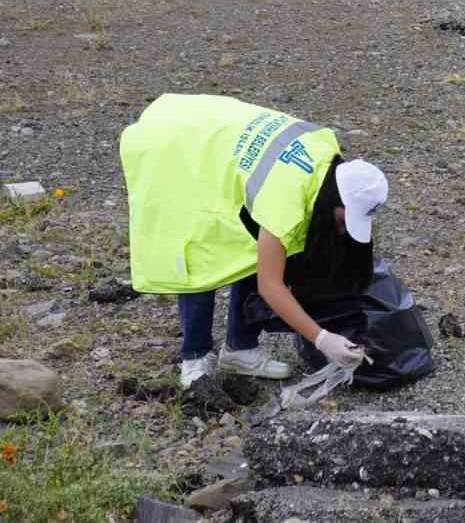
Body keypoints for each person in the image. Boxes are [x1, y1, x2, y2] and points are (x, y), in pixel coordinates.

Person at [122, 94, 388, 387]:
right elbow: (270, 285)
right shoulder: (285, 202)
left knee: (248, 246)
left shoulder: (328, 153)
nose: (341, 230)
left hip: (217, 138)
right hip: (178, 146)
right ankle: (195, 357)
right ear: (334, 200)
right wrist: (322, 338)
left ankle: (240, 349)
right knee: (200, 251)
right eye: (343, 220)